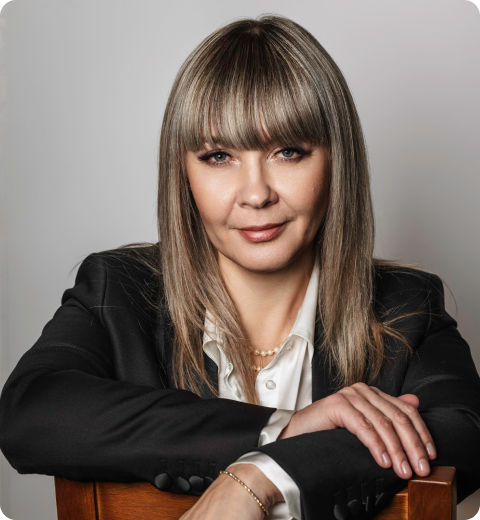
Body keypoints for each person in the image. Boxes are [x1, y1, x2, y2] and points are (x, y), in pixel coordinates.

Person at [1, 14, 480, 520]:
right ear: (182, 172)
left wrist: (262, 475)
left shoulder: (407, 305)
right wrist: (278, 430)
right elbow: (30, 413)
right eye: (218, 156)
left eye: (288, 152)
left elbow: (464, 432)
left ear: (337, 161)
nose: (256, 194)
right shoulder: (117, 291)